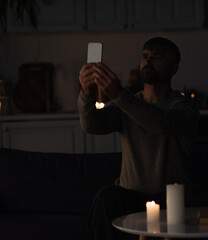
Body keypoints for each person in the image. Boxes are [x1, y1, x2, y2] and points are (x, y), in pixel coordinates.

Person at [78, 37, 200, 240]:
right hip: (130, 197)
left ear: (174, 69)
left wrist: (119, 94)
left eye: (157, 57)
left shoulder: (184, 107)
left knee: (198, 194)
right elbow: (91, 125)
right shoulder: (125, 103)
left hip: (172, 198)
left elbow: (162, 123)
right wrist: (87, 93)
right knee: (106, 197)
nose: (148, 61)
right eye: (145, 56)